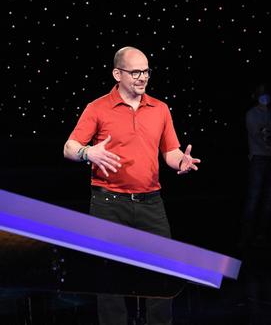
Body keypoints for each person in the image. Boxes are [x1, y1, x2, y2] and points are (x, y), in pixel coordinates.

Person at [63, 46, 200, 325]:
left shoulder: (160, 108)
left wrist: (180, 162)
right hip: (108, 204)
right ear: (117, 74)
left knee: (161, 275)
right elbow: (69, 147)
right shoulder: (98, 107)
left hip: (151, 203)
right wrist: (88, 153)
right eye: (135, 71)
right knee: (110, 278)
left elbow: (170, 152)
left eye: (146, 71)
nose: (142, 77)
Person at [239, 85, 271, 250]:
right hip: (259, 158)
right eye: (261, 94)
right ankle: (246, 237)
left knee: (269, 199)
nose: (264, 97)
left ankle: (261, 235)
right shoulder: (252, 114)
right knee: (254, 198)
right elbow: (257, 135)